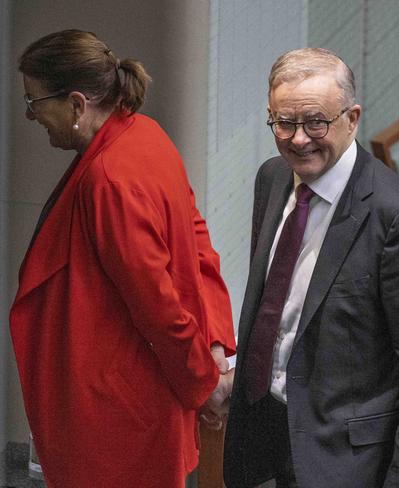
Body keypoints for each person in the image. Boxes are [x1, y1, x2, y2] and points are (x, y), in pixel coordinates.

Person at [220, 47, 399, 488]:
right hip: (265, 436)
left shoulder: (398, 218)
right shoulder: (272, 178)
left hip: (348, 462)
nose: (298, 139)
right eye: (284, 122)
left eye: (315, 122)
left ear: (352, 118)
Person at [10, 30, 236, 488]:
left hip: (117, 415)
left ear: (76, 104)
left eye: (35, 102)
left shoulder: (109, 180)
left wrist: (204, 384)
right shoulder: (145, 134)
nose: (32, 115)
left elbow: (158, 306)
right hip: (141, 399)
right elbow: (197, 243)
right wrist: (215, 346)